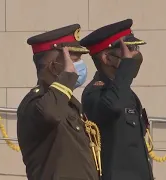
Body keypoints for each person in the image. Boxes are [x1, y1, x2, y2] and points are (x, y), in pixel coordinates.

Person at [17, 24, 101, 180]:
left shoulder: (68, 102)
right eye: (74, 60)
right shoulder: (35, 102)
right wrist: (67, 77)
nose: (78, 68)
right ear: (53, 65)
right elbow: (50, 113)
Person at [80, 19, 154, 180]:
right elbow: (113, 106)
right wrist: (126, 69)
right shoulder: (94, 93)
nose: (135, 54)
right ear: (107, 58)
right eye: (129, 50)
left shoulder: (125, 92)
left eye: (135, 48)